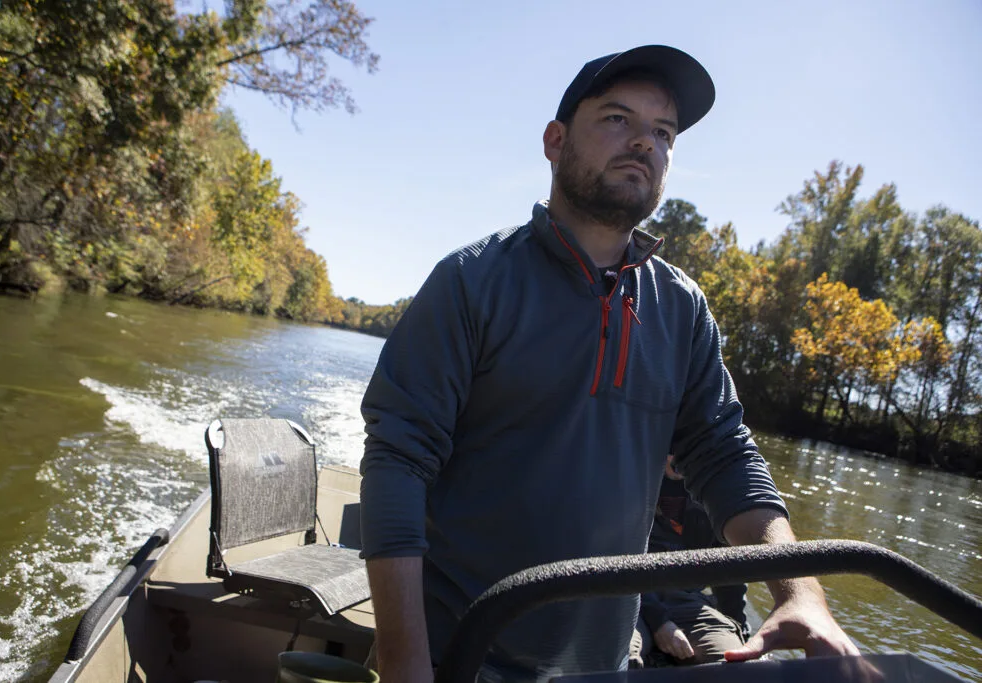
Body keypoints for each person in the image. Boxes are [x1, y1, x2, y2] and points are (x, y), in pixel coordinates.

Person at [359, 45, 859, 683]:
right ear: (555, 140)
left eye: (663, 132)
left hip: (604, 669)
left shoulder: (682, 309)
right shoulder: (470, 282)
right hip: (458, 659)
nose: (644, 144)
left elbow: (726, 456)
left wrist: (801, 596)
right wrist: (405, 666)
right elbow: (398, 462)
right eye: (618, 119)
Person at [637, 455, 751, 666]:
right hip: (625, 598)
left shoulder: (715, 491)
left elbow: (728, 573)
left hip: (686, 602)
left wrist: (743, 633)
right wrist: (659, 622)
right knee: (625, 658)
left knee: (733, 663)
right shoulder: (630, 476)